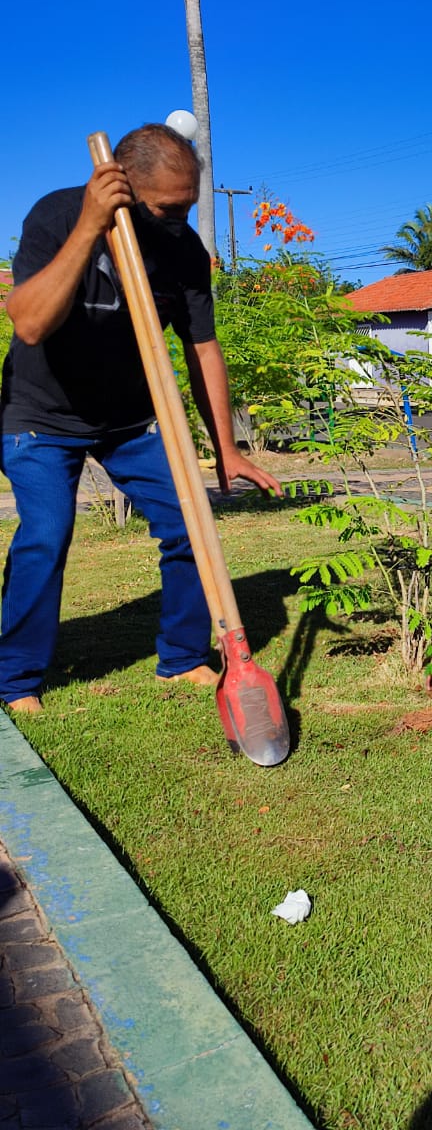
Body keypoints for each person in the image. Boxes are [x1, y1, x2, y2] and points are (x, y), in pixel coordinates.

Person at [0, 123, 282, 714]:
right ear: (119, 184)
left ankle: (181, 658)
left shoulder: (182, 251)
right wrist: (90, 226)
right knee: (46, 535)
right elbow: (28, 323)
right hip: (40, 415)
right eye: (168, 209)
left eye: (188, 207)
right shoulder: (55, 217)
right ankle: (16, 679)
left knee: (189, 521)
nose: (179, 221)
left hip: (130, 417)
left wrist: (226, 446)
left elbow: (202, 346)